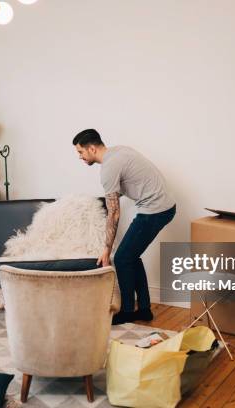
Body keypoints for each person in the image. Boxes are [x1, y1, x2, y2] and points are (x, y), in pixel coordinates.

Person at [73, 129, 176, 324]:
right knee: (131, 256)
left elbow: (114, 213)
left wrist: (106, 248)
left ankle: (128, 311)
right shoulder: (119, 151)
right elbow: (123, 188)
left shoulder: (108, 168)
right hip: (165, 207)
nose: (80, 157)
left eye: (80, 152)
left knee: (121, 258)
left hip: (155, 210)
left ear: (92, 148)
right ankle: (144, 309)